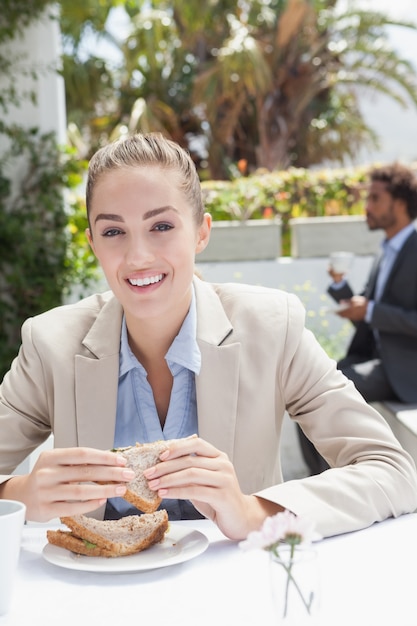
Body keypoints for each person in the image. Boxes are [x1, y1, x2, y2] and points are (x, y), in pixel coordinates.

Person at [0, 135, 416, 541]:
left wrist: (252, 511)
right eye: (113, 232)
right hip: (93, 600)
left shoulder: (272, 327)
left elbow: (392, 470)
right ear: (92, 242)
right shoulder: (49, 343)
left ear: (201, 232)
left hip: (240, 599)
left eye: (161, 225)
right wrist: (19, 494)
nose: (138, 256)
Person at [298, 162, 417, 475]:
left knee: (318, 398)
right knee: (307, 386)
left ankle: (329, 485)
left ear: (400, 204)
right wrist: (341, 289)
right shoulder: (387, 250)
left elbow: (379, 313)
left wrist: (372, 311)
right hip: (377, 361)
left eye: (375, 199)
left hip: (404, 370)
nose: (367, 207)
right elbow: (369, 314)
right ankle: (322, 481)